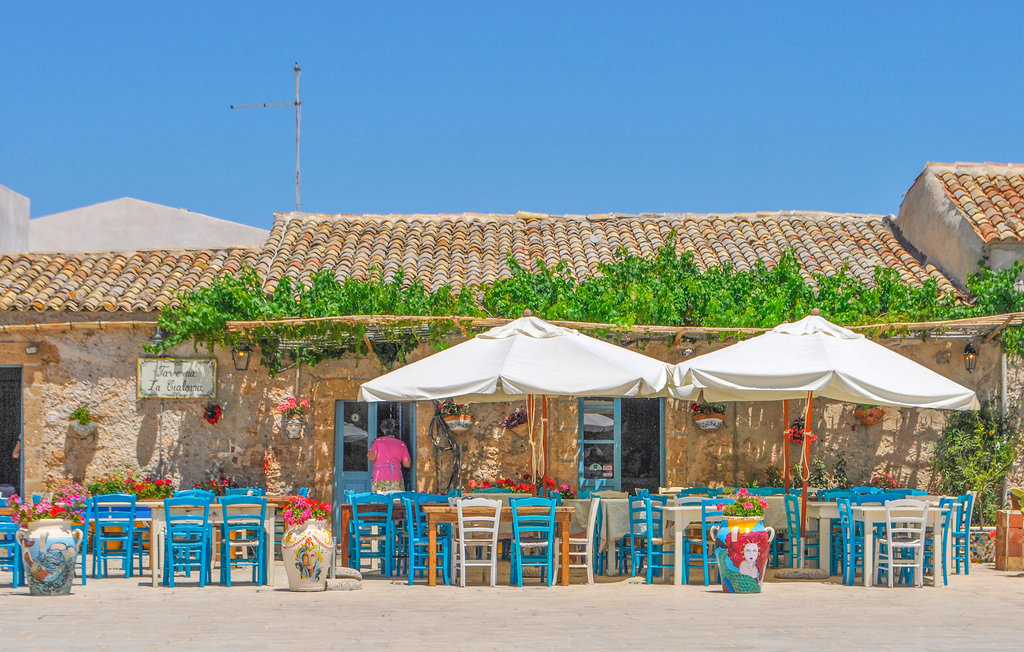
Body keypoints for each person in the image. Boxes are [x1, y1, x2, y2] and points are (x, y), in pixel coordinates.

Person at [366, 419, 410, 493]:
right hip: (395, 477)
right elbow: (407, 464)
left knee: (380, 502)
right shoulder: (401, 444)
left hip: (379, 477)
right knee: (395, 502)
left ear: (383, 430)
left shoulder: (378, 441)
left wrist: (372, 447)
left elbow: (371, 457)